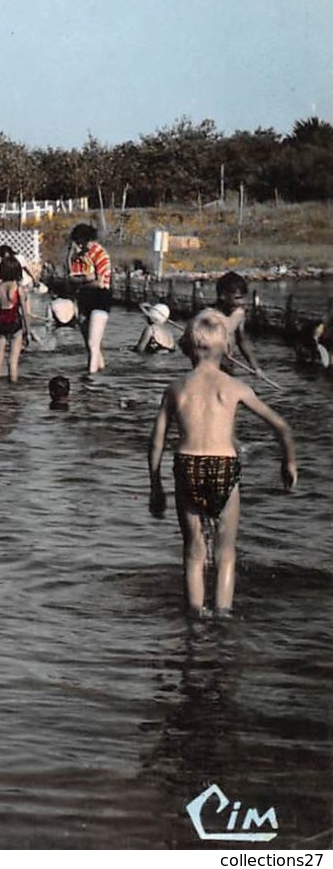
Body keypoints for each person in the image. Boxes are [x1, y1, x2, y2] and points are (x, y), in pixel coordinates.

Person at [147, 310, 297, 618]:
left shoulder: (176, 389)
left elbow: (156, 441)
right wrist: (289, 463)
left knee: (193, 552)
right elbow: (281, 426)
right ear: (227, 349)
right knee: (225, 553)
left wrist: (155, 487)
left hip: (187, 465)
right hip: (224, 467)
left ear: (186, 348)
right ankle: (223, 614)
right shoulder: (234, 387)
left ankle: (195, 615)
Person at [66, 222, 112, 374]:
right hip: (84, 299)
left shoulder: (100, 254)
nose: (79, 245)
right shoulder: (79, 257)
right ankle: (100, 370)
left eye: (81, 242)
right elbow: (71, 278)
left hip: (100, 298)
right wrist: (85, 279)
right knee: (90, 344)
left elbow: (100, 283)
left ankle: (90, 378)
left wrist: (84, 281)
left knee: (93, 343)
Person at [0, 254, 31, 382]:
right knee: (13, 361)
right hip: (15, 324)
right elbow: (24, 313)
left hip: (0, 324)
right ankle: (12, 387)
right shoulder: (18, 289)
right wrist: (28, 331)